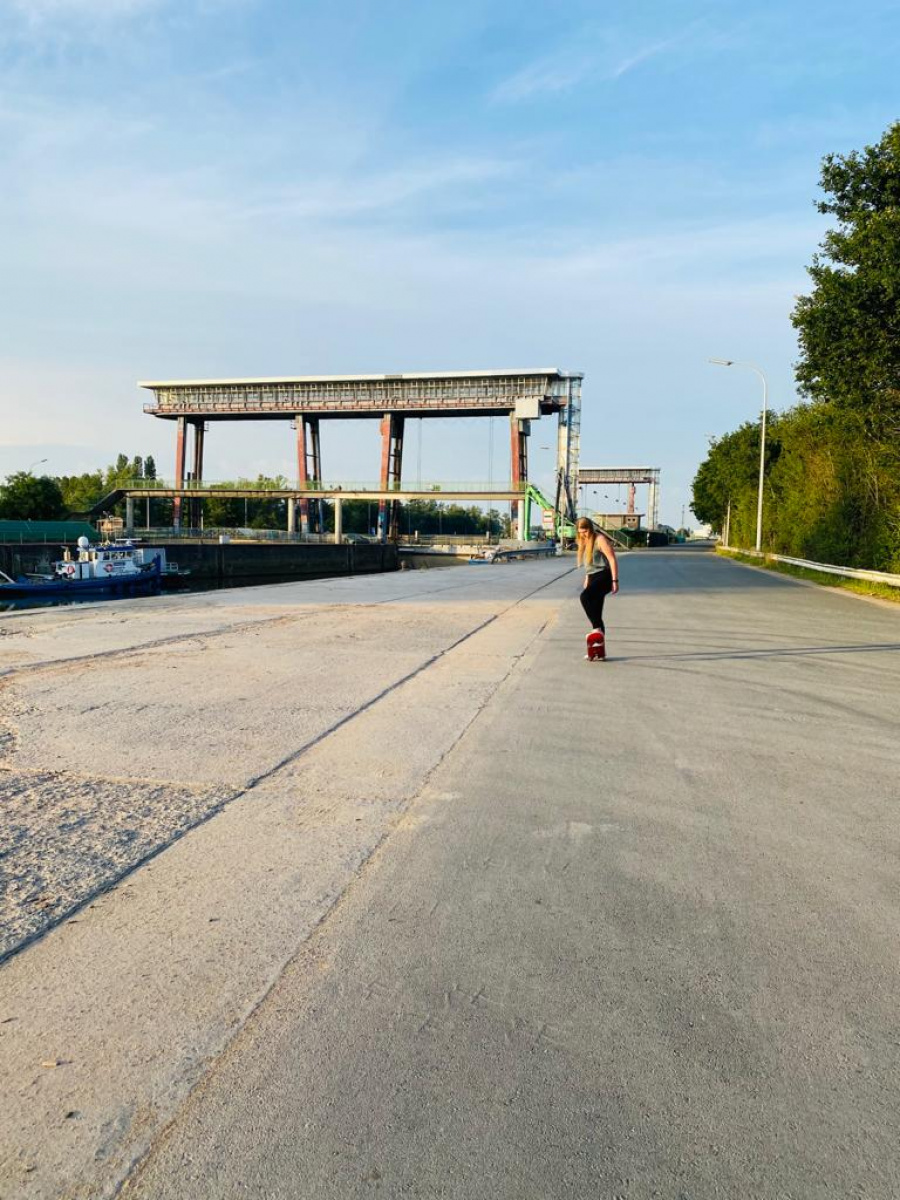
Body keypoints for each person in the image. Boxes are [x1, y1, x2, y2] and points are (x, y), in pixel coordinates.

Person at [576, 517, 619, 654]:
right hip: (593, 577)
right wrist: (587, 578)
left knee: (584, 597)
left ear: (590, 528)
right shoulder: (583, 541)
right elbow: (589, 563)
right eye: (581, 532)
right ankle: (599, 649)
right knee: (597, 613)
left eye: (586, 531)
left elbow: (612, 559)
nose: (584, 534)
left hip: (604, 576)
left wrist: (614, 581)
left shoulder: (599, 539)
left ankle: (596, 629)